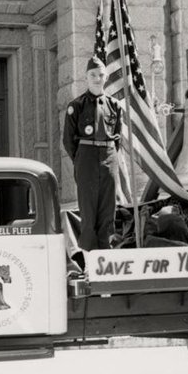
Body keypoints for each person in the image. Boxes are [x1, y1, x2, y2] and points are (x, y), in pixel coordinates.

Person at [62, 56, 122, 251]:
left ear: (106, 78)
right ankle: (89, 260)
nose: (97, 78)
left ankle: (107, 256)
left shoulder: (114, 105)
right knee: (88, 212)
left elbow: (118, 137)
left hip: (108, 155)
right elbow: (68, 140)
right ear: (86, 78)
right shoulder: (76, 106)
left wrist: (109, 155)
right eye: (93, 75)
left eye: (101, 75)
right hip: (86, 157)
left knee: (108, 210)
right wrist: (81, 160)